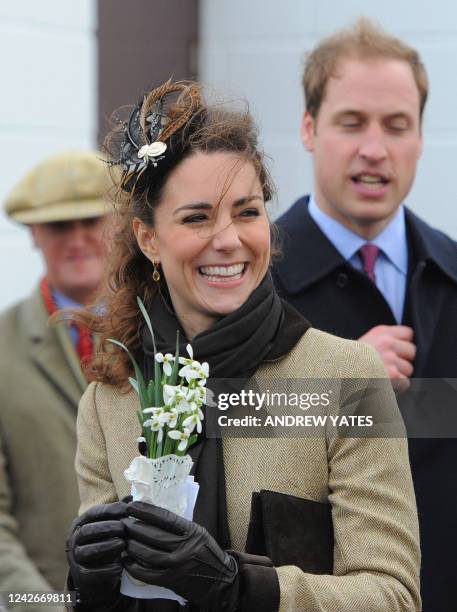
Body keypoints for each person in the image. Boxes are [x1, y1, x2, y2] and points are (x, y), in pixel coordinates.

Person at [66, 80, 421, 611]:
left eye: (248, 211)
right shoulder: (108, 404)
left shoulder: (346, 377)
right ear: (149, 240)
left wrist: (241, 588)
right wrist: (85, 590)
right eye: (197, 217)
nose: (229, 238)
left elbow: (393, 596)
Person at [272, 18, 457, 612]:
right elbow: (210, 418)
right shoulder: (249, 280)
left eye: (397, 126)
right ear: (309, 128)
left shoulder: (451, 270)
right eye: (351, 123)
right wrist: (338, 386)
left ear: (422, 138)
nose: (374, 149)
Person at [0, 151, 111, 607]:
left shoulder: (170, 337)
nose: (78, 239)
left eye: (90, 220)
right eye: (59, 226)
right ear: (32, 234)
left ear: (121, 225)